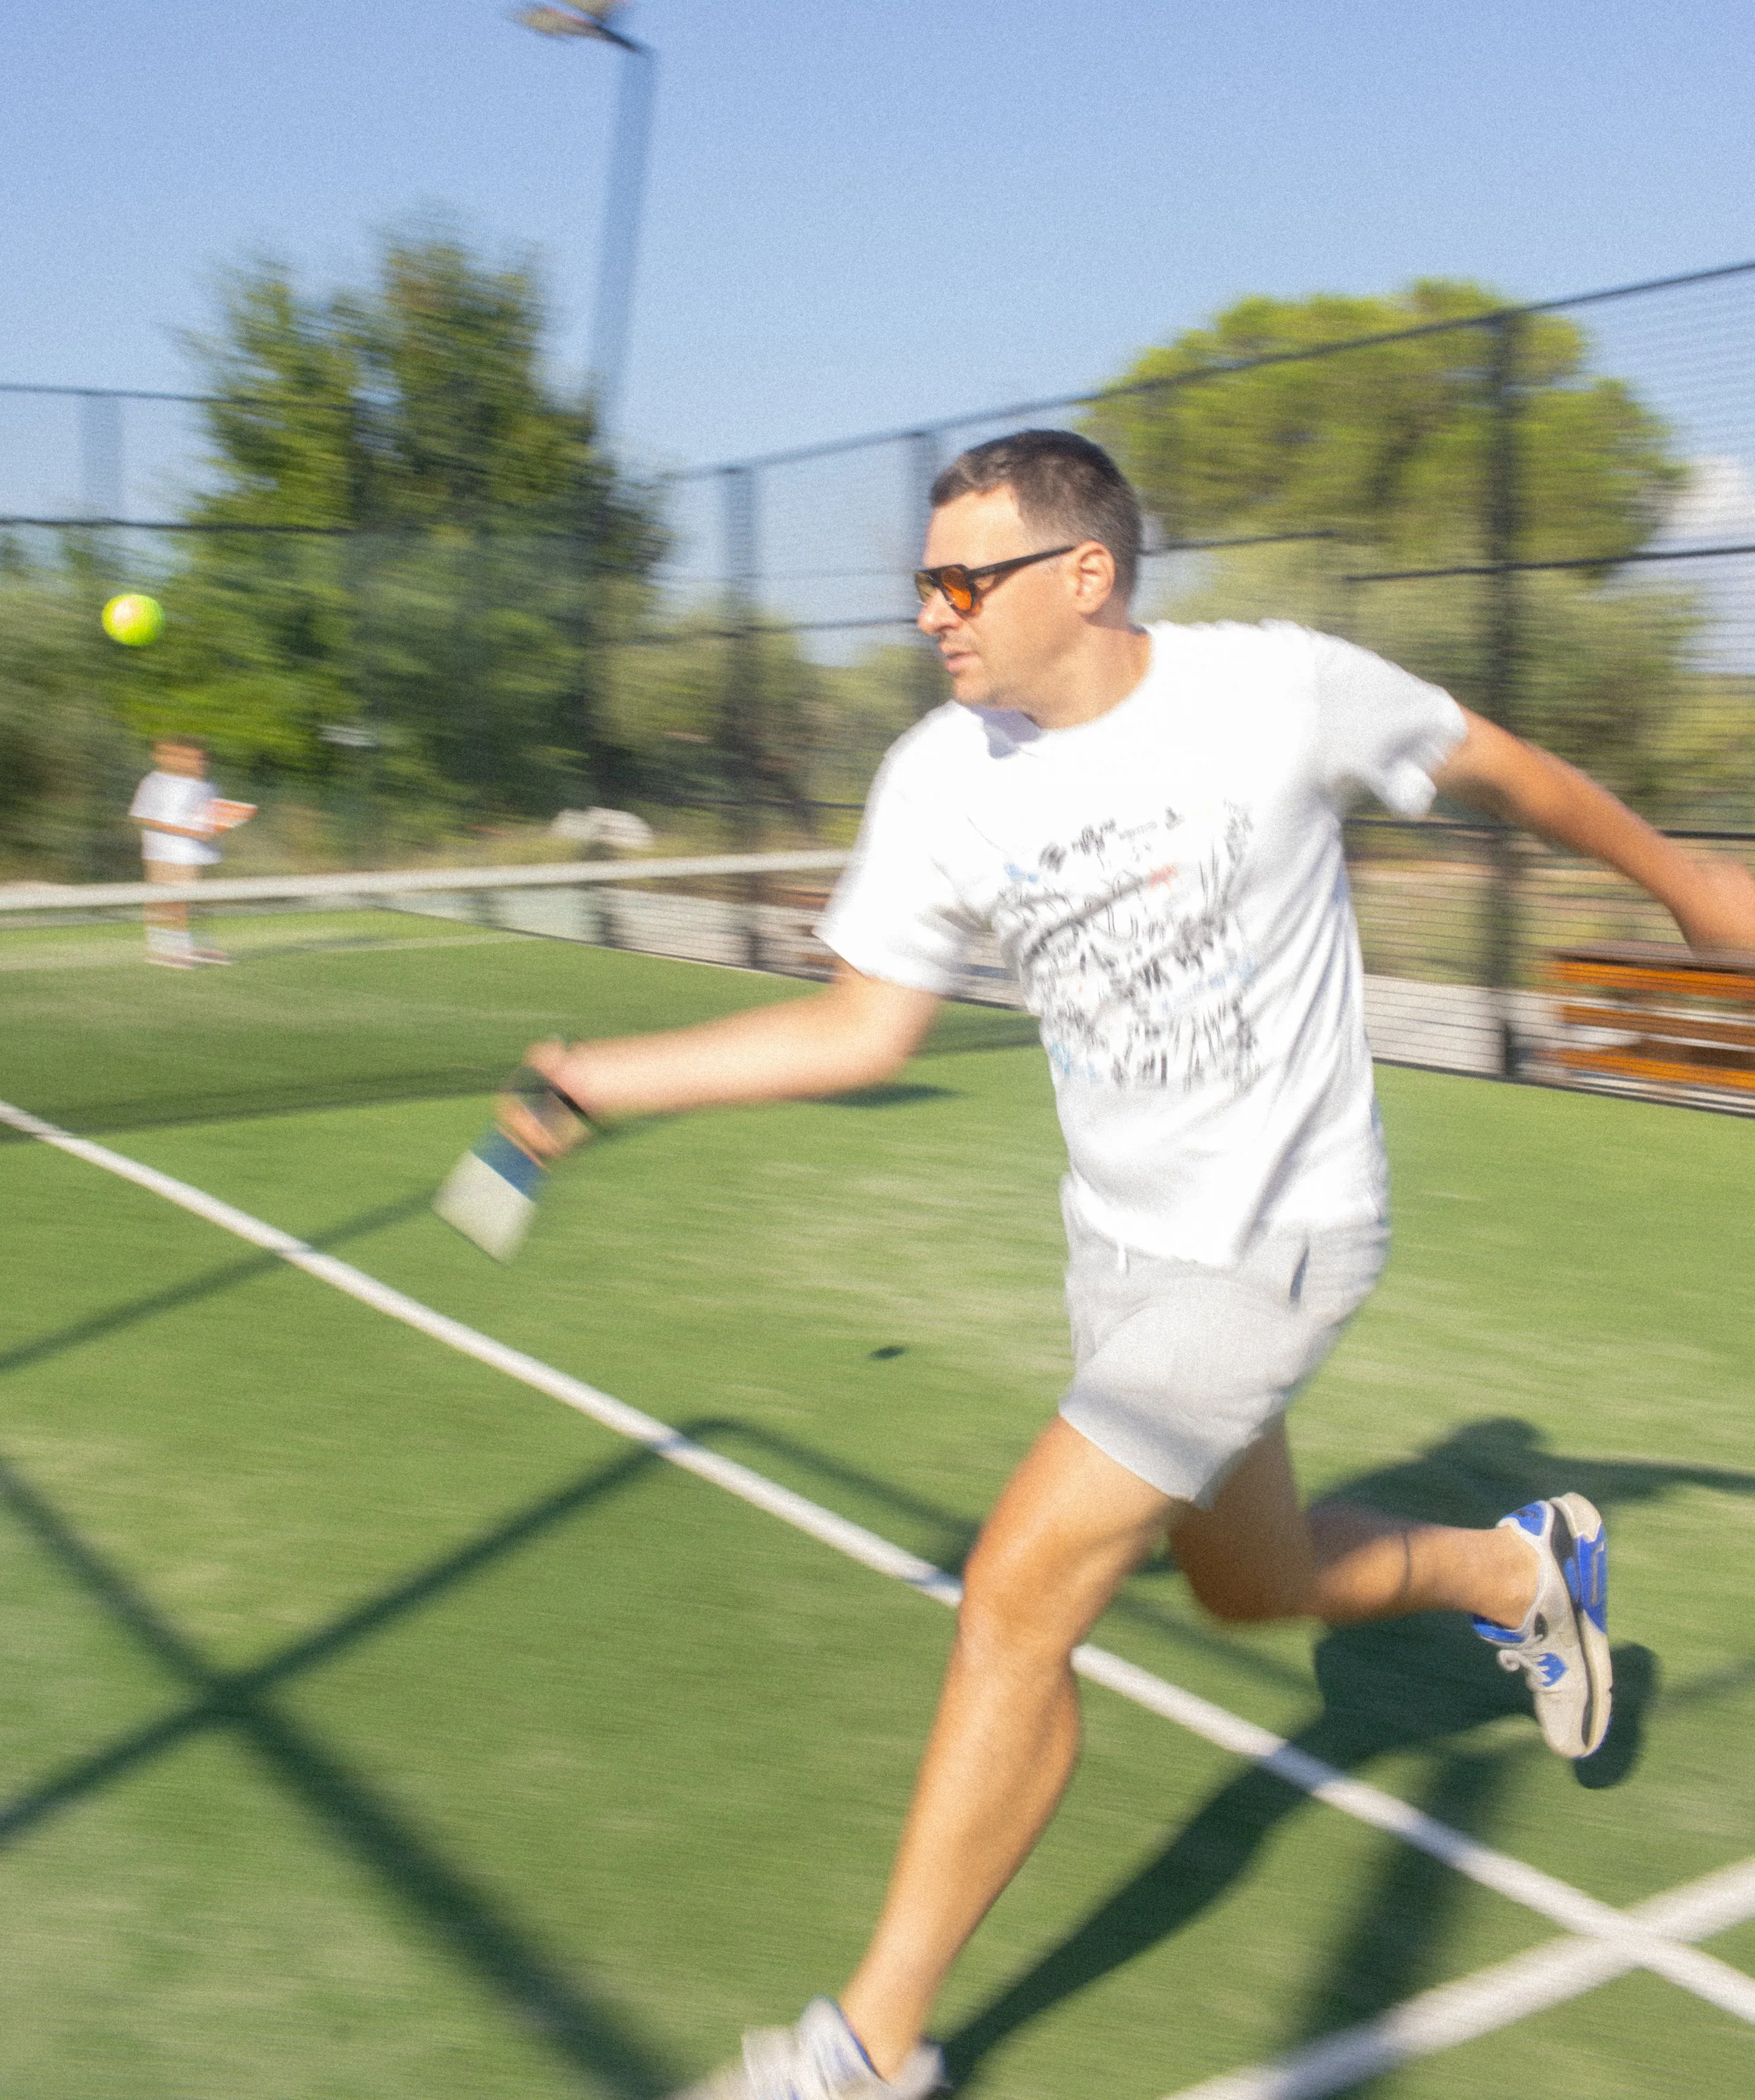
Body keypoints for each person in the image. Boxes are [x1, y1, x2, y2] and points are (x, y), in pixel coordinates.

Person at [501, 431, 1755, 2100]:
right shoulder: (940, 776)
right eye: (923, 583)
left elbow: (1502, 763)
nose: (933, 612)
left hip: (1284, 1235)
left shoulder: (1278, 691)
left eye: (965, 579)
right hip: (1125, 1252)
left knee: (1020, 1597)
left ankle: (863, 2048)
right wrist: (606, 1078)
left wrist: (1690, 888)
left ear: (1080, 576)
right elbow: (864, 1026)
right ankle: (1521, 1577)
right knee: (1250, 1582)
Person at [127, 735, 250, 968]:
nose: (200, 763)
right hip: (166, 852)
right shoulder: (156, 781)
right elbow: (143, 816)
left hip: (200, 854)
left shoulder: (210, 786)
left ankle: (193, 946)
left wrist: (225, 822)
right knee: (167, 900)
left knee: (194, 902)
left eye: (203, 759)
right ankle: (163, 949)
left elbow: (211, 818)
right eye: (193, 759)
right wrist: (188, 831)